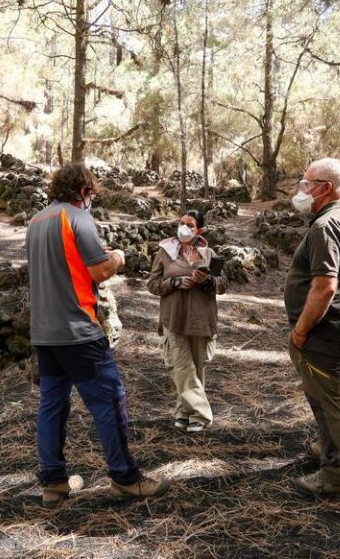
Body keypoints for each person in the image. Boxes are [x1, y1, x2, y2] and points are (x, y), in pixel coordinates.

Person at [26, 162, 169, 506]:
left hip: (44, 333)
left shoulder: (35, 222)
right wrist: (118, 257)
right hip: (79, 332)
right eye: (92, 191)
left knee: (52, 404)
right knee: (109, 401)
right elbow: (99, 270)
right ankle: (125, 478)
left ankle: (54, 482)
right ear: (85, 190)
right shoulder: (78, 218)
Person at [284, 157, 340, 498]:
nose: (301, 190)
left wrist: (302, 330)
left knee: (327, 401)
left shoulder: (326, 225)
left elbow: (325, 286)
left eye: (307, 183)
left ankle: (335, 477)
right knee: (326, 398)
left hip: (324, 333)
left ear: (326, 188)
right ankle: (330, 450)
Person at [147, 209, 228, 433]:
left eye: (190, 225)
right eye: (181, 223)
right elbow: (152, 285)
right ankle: (201, 413)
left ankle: (184, 411)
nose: (184, 227)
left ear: (199, 230)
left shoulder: (209, 253)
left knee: (197, 369)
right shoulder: (165, 252)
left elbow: (222, 284)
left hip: (202, 319)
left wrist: (208, 281)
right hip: (174, 318)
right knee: (182, 367)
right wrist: (174, 283)